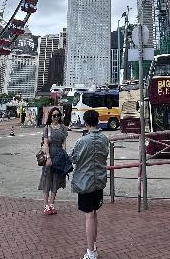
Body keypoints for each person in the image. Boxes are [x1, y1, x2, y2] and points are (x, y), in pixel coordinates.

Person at [69, 109, 110, 259]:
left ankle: (91, 252)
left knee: (89, 215)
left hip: (85, 182)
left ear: (85, 122)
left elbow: (72, 158)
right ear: (98, 120)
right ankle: (93, 245)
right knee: (94, 213)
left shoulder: (81, 141)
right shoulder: (104, 139)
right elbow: (105, 154)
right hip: (99, 180)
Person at [38, 106, 71, 215]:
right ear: (50, 117)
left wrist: (64, 155)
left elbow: (64, 143)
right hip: (50, 154)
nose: (56, 117)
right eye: (54, 115)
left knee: (56, 180)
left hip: (59, 155)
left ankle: (52, 204)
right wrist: (48, 157)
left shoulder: (63, 128)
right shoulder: (47, 128)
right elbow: (46, 143)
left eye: (58, 115)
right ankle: (45, 205)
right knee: (47, 179)